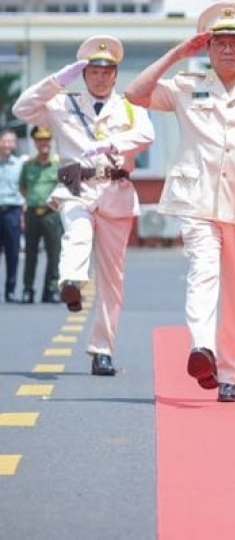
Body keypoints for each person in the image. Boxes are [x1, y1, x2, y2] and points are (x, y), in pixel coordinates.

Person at [125, 1, 235, 403]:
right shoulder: (187, 85)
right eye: (220, 43)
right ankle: (202, 347)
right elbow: (134, 93)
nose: (229, 50)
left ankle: (231, 371)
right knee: (203, 272)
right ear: (208, 47)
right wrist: (177, 52)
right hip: (196, 199)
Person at [13, 36, 154, 376]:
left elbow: (146, 136)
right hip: (76, 187)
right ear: (83, 73)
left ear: (116, 74)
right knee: (76, 233)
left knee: (112, 278)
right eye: (93, 70)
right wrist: (58, 79)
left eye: (107, 71)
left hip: (115, 188)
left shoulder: (131, 107)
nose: (100, 77)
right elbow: (23, 109)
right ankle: (71, 282)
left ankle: (102, 350)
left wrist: (111, 143)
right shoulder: (63, 103)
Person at [18, 126, 62, 304]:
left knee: (54, 254)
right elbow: (22, 187)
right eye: (40, 140)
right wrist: (32, 200)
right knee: (31, 253)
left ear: (50, 142)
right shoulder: (28, 165)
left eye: (46, 140)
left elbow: (64, 187)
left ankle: (50, 290)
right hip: (32, 214)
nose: (43, 143)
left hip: (51, 214)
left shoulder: (58, 164)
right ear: (35, 142)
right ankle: (28, 290)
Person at [0, 129, 23, 302]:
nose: (8, 145)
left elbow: (25, 188)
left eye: (11, 141)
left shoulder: (20, 164)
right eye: (4, 141)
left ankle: (10, 290)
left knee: (12, 253)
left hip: (13, 211)